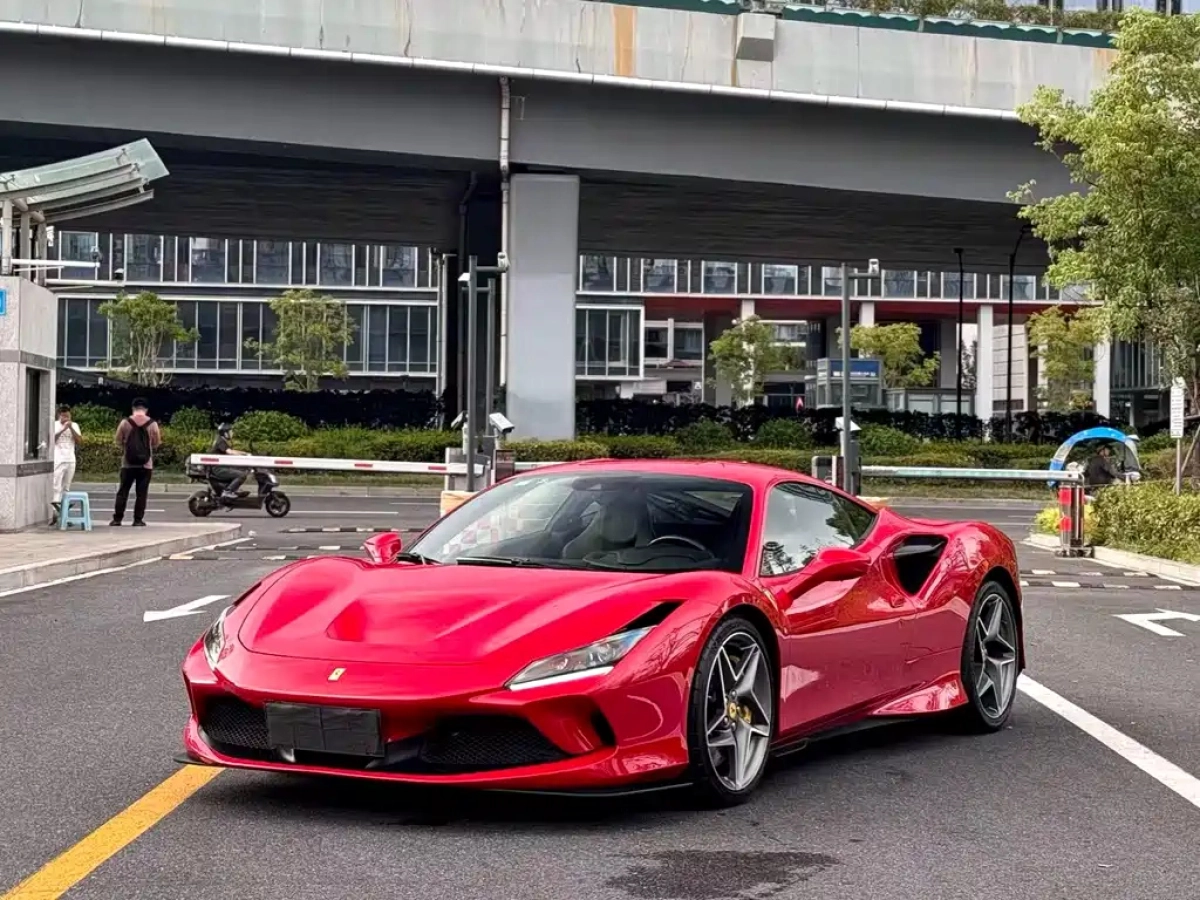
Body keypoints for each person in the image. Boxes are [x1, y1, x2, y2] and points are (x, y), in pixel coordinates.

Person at [111, 398, 162, 527]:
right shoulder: (152, 424)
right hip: (146, 465)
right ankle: (138, 520)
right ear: (146, 409)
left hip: (127, 464)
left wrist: (127, 447)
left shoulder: (125, 423)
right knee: (141, 493)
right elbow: (156, 443)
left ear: (133, 408)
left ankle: (117, 519)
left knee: (123, 491)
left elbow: (117, 441)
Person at [50, 404, 81, 526]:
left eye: (68, 415)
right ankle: (54, 513)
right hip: (58, 459)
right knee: (56, 486)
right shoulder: (55, 425)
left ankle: (64, 515)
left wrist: (71, 428)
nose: (66, 418)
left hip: (70, 459)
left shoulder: (75, 425)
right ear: (59, 415)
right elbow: (52, 440)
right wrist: (63, 428)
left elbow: (79, 441)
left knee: (66, 488)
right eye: (63, 416)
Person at [209, 423, 250, 499]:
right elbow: (230, 452)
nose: (232, 433)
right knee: (241, 475)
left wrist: (244, 453)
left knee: (240, 470)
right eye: (230, 431)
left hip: (221, 467)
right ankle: (228, 491)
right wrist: (244, 457)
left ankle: (234, 489)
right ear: (225, 433)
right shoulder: (220, 441)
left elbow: (231, 451)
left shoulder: (221, 440)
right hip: (218, 469)